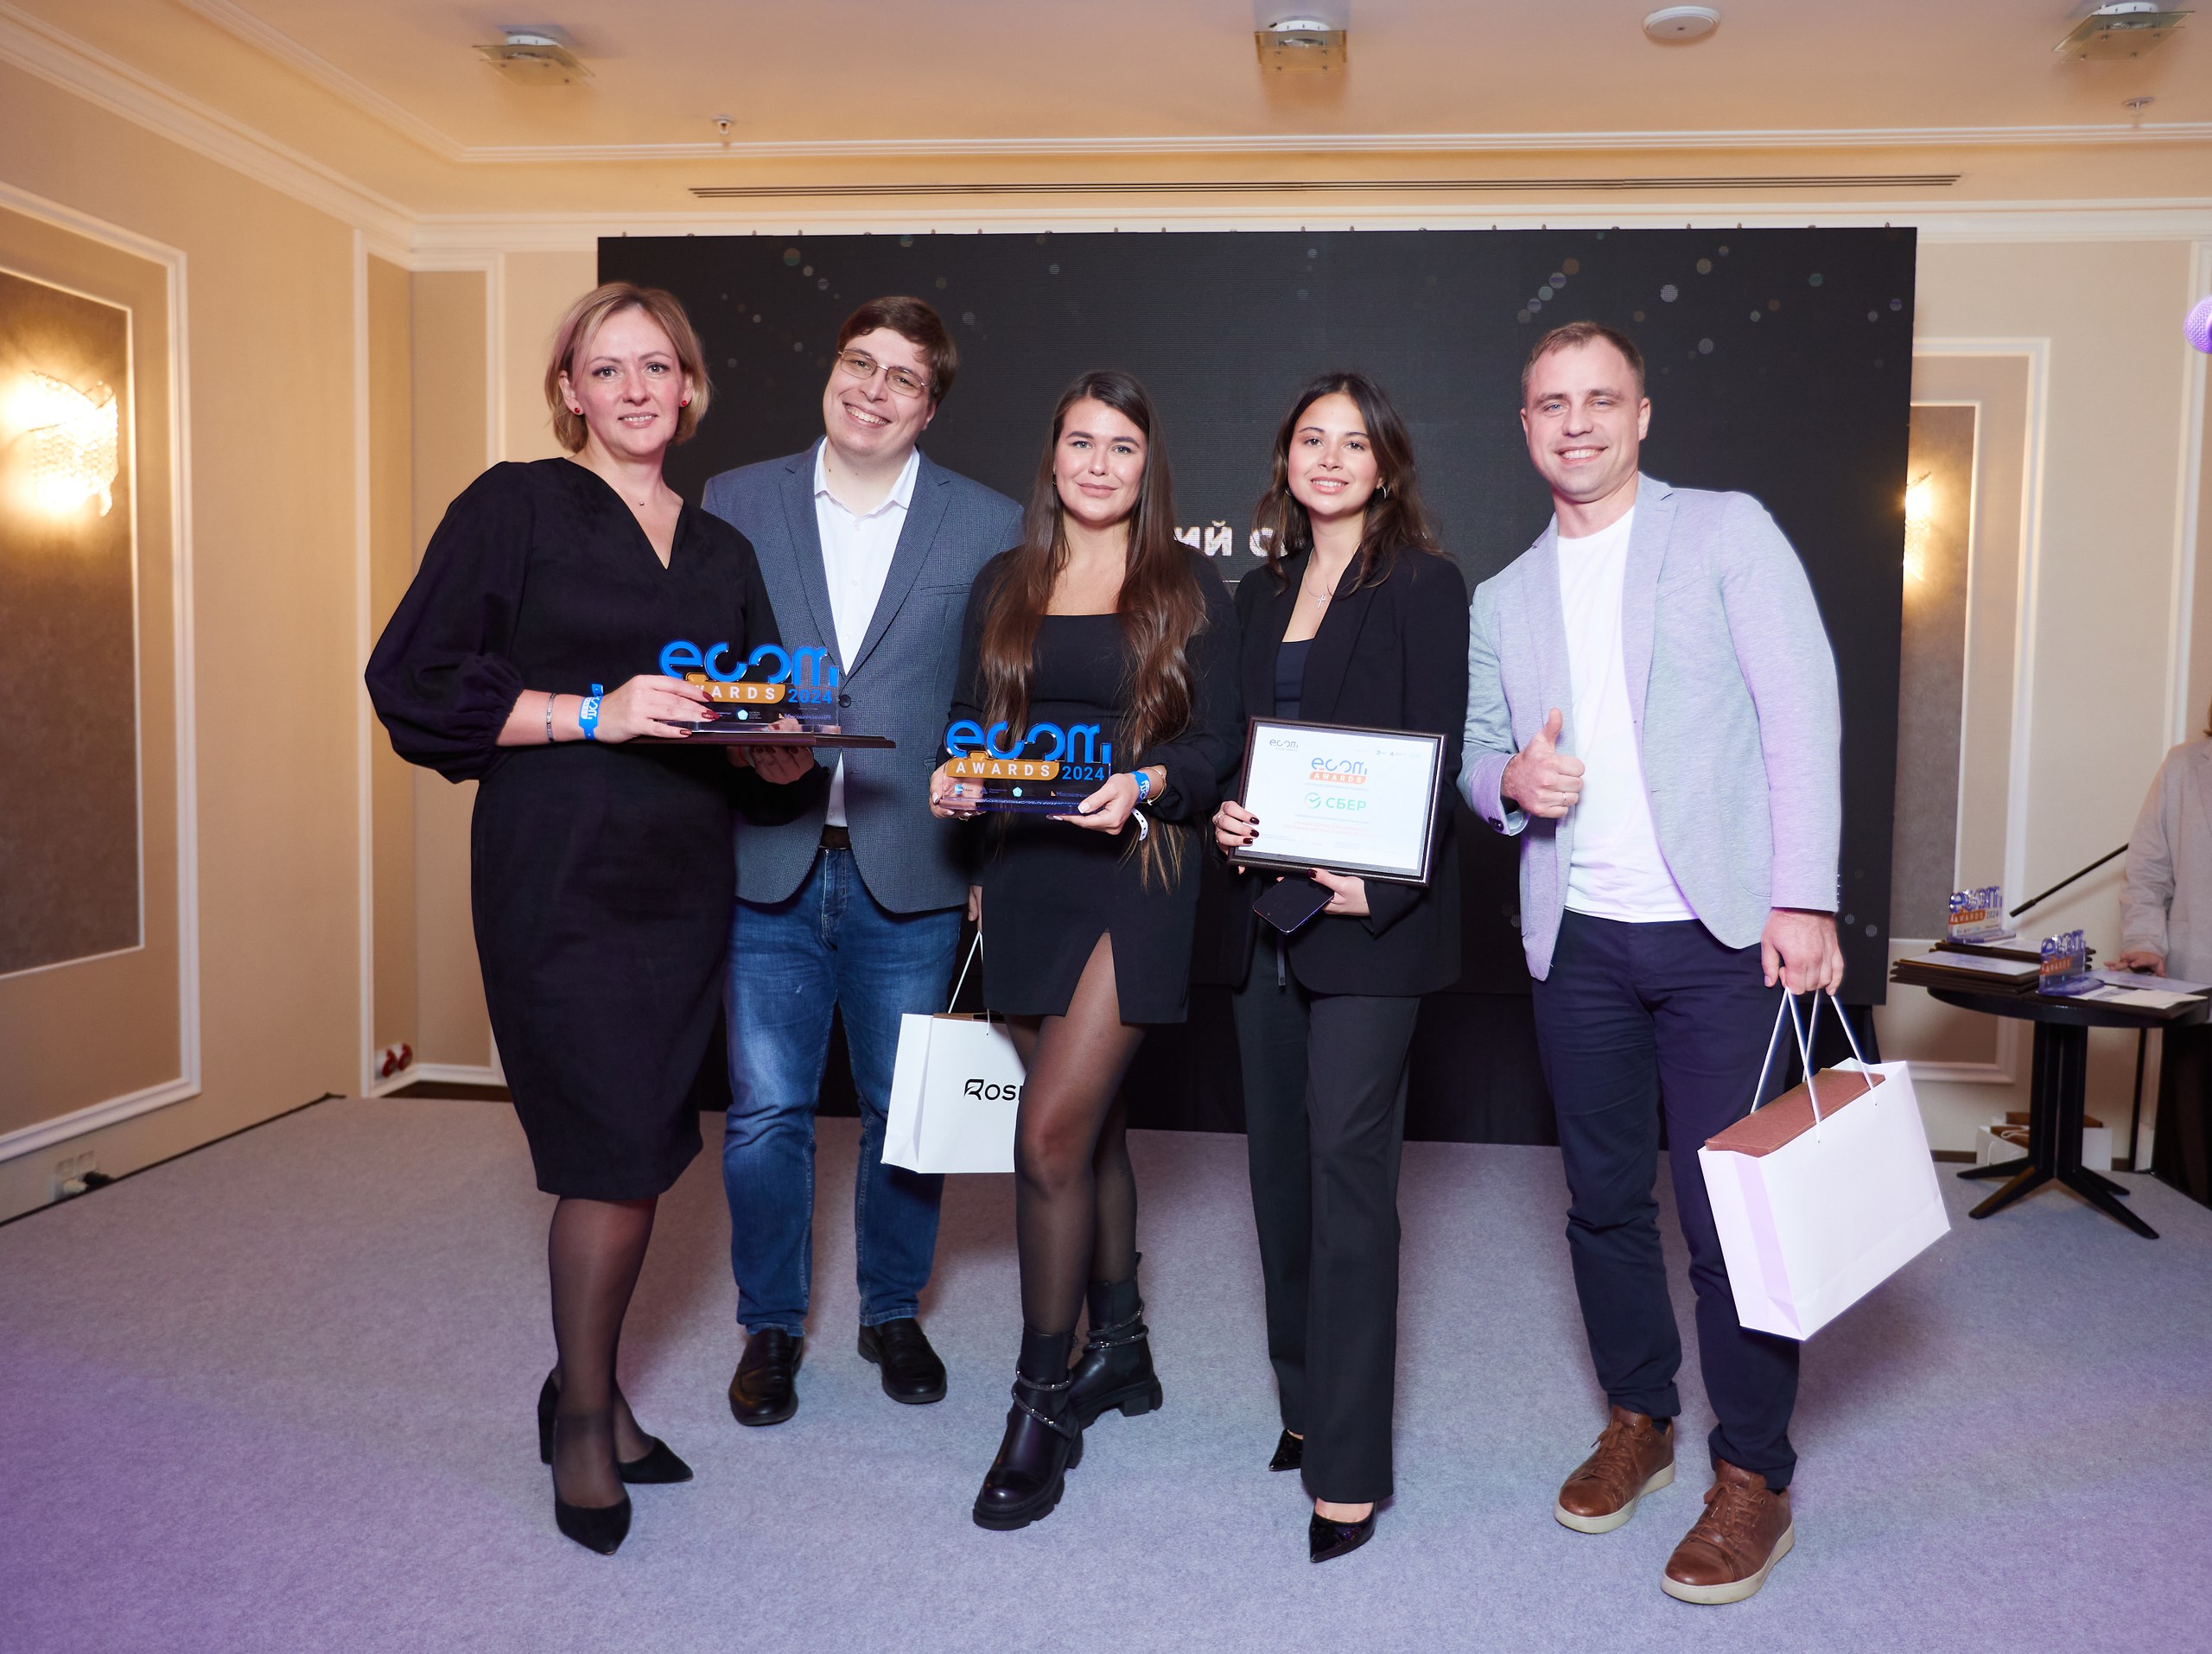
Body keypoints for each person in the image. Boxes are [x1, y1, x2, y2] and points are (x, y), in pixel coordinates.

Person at [365, 283, 805, 1555]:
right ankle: (581, 1418)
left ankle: (590, 1388)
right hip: (556, 870)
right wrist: (590, 713)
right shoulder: (515, 505)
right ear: (569, 391)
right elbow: (411, 686)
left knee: (650, 1142)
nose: (634, 389)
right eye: (605, 368)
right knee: (609, 1150)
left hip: (682, 876)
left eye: (656, 366)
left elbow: (748, 718)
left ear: (689, 386)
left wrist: (776, 754)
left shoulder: (721, 550)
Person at [1460, 321, 1844, 1606]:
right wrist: (1510, 782)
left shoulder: (1726, 532)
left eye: (1600, 399)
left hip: (1724, 936)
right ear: (1525, 426)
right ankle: (1641, 1417)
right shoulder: (1503, 596)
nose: (1575, 422)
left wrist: (1804, 896)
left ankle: (1753, 1473)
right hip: (1576, 942)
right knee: (1602, 1201)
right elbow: (1475, 755)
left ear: (1641, 415)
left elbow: (1800, 716)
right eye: (1551, 403)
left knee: (1731, 1216)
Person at [928, 370, 1240, 1530]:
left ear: (1146, 466)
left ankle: (1040, 1400)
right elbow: (972, 722)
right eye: (1081, 443)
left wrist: (1146, 782)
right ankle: (1123, 1347)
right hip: (1024, 871)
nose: (1099, 465)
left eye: (1121, 447)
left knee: (1049, 1133)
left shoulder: (1186, 583)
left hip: (1137, 870)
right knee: (1092, 1127)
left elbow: (1216, 744)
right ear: (1052, 455)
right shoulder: (1004, 582)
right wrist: (956, 779)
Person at [702, 298, 1021, 1426]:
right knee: (765, 1115)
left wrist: (988, 857)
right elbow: (706, 675)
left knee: (903, 1113)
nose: (872, 390)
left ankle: (891, 1309)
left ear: (929, 408)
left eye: (902, 379)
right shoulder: (736, 499)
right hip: (766, 859)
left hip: (915, 866)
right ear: (832, 371)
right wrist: (739, 743)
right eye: (858, 363)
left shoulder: (988, 523)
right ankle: (770, 1324)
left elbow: (997, 701)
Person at [1210, 373, 1467, 1564]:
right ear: (1285, 458)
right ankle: (1305, 1402)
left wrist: (1391, 880)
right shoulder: (1258, 592)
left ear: (1384, 464)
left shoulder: (1421, 584)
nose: (1329, 458)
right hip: (1267, 911)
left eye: (1353, 442)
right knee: (1278, 1172)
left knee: (1347, 1175)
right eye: (1311, 438)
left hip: (1371, 920)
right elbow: (1246, 747)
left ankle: (1349, 1471)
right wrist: (1227, 813)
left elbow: (1440, 745)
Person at [2114, 711, 2212, 1203]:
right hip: (2199, 985)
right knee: (2195, 1157)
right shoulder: (2184, 766)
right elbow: (2148, 872)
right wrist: (2146, 942)